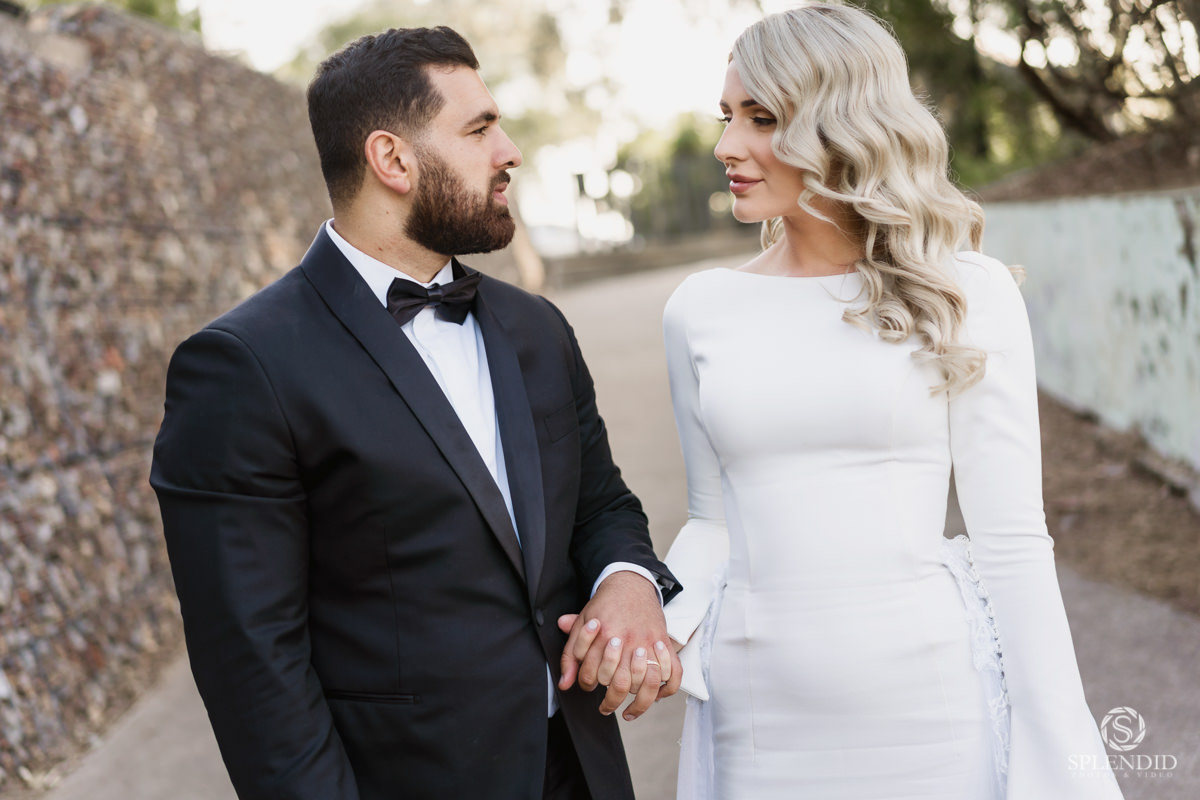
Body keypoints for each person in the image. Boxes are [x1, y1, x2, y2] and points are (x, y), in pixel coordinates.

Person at [149, 26, 682, 800]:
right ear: (392, 160)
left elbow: (601, 506)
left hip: (580, 767)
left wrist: (629, 581)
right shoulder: (242, 367)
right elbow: (253, 664)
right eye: (479, 129)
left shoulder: (537, 328)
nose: (509, 152)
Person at [659, 4, 1124, 799]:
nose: (726, 146)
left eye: (761, 118)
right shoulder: (699, 310)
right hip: (758, 711)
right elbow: (711, 522)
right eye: (726, 116)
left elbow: (1011, 541)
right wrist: (649, 623)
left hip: (931, 707)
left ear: (842, 125)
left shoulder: (965, 292)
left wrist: (1066, 759)